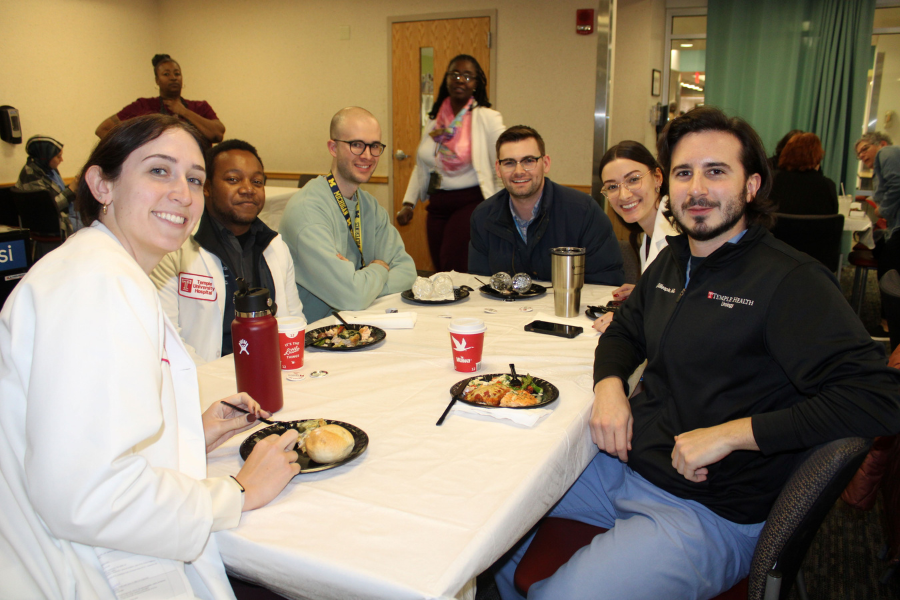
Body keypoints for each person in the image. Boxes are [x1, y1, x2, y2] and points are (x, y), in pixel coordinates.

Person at [494, 106, 900, 600]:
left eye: (716, 171)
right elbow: (624, 332)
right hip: (628, 466)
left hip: (707, 508)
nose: (697, 189)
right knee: (497, 522)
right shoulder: (674, 259)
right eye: (685, 173)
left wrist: (732, 434)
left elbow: (881, 398)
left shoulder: (791, 281)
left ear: (751, 186)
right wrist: (610, 388)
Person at [0, 115, 301, 599]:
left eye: (195, 179)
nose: (183, 193)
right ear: (102, 184)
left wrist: (188, 434)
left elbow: (79, 435)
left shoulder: (103, 268)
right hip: (73, 572)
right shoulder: (96, 286)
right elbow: (88, 497)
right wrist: (237, 492)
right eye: (159, 171)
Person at [151, 139, 304, 364]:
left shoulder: (275, 245)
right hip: (204, 376)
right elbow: (166, 339)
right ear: (207, 187)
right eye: (233, 179)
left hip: (272, 370)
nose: (248, 189)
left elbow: (294, 321)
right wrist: (215, 379)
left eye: (257, 181)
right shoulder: (174, 248)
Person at [280, 107, 416, 323]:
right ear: (333, 148)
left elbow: (408, 272)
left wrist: (362, 286)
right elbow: (353, 296)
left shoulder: (370, 206)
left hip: (360, 322)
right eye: (357, 144)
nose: (367, 155)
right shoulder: (307, 211)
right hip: (316, 333)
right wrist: (378, 269)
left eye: (375, 146)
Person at [468, 125, 624, 285]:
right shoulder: (483, 217)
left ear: (546, 163)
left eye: (529, 161)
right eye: (509, 163)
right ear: (498, 169)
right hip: (504, 302)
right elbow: (479, 283)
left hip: (569, 302)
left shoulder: (584, 211)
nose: (519, 171)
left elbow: (607, 281)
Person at [398, 54, 505, 272]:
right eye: (455, 74)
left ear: (477, 84)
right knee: (441, 269)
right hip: (437, 203)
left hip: (471, 202)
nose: (460, 80)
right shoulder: (435, 120)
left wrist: (506, 206)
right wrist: (408, 203)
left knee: (453, 264)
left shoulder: (487, 118)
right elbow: (423, 164)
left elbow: (504, 162)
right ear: (446, 80)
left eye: (468, 76)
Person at [592, 140, 678, 332]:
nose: (623, 195)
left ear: (657, 177)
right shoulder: (646, 236)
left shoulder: (677, 232)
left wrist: (628, 319)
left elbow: (686, 308)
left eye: (633, 179)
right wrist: (644, 292)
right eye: (612, 187)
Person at [95, 53, 225, 144]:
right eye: (166, 74)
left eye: (177, 74)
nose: (173, 78)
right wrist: (133, 150)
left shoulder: (200, 107)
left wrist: (184, 111)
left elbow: (218, 134)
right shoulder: (143, 106)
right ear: (157, 80)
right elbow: (103, 129)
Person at [14, 135, 80, 234]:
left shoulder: (49, 169)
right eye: (58, 156)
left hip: (64, 216)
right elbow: (48, 209)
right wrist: (71, 190)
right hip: (51, 224)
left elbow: (58, 192)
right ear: (45, 156)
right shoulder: (31, 174)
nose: (62, 159)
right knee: (93, 227)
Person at [769, 132, 838, 215]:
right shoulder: (828, 186)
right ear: (817, 157)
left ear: (786, 153)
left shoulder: (772, 181)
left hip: (779, 224)